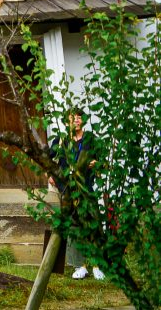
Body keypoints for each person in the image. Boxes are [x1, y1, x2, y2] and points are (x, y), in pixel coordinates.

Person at [54, 109, 105, 281]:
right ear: (66, 121)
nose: (77, 120)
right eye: (73, 117)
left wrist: (96, 163)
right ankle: (80, 266)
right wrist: (51, 176)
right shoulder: (61, 140)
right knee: (76, 227)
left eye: (79, 117)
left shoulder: (90, 139)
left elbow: (103, 162)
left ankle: (97, 265)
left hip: (87, 188)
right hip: (69, 190)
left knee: (93, 225)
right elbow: (47, 158)